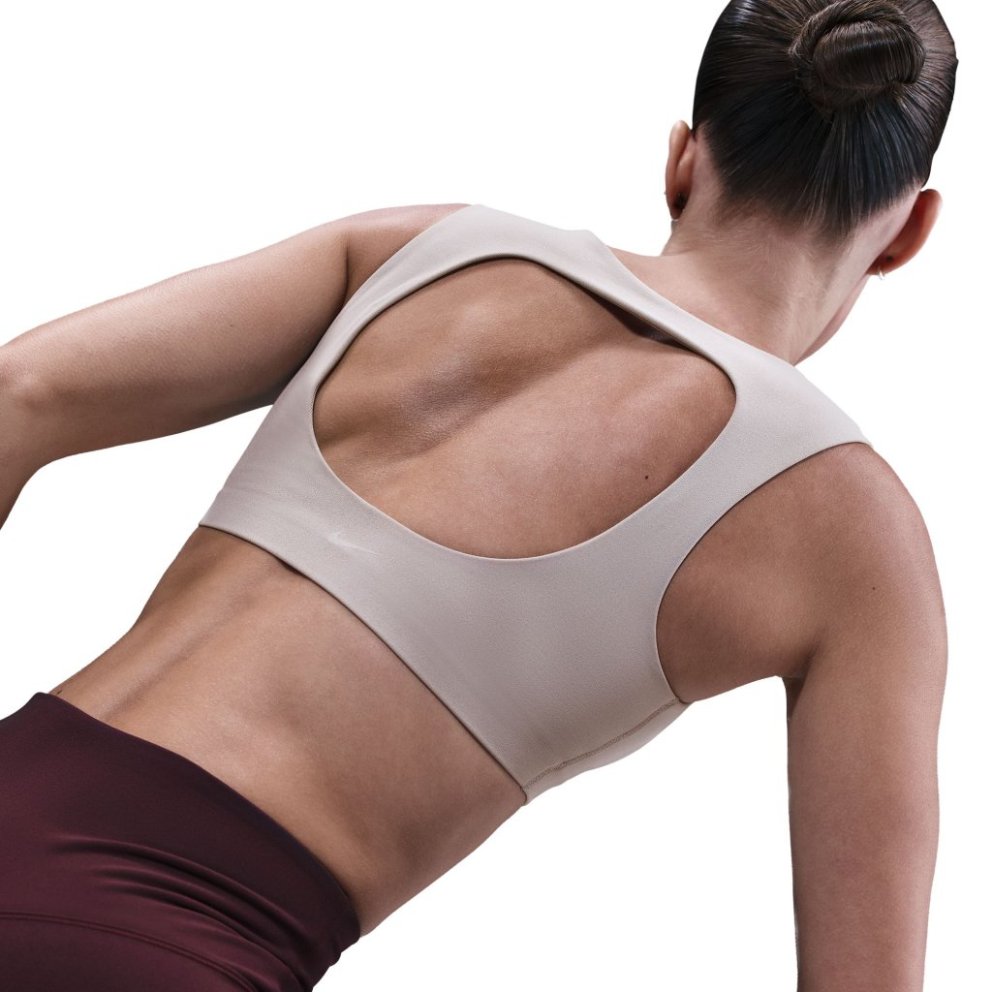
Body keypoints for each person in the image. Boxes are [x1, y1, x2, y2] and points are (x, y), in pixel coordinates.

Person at [0, 0, 957, 989]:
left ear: (680, 159)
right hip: (165, 940)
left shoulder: (421, 251)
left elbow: (19, 390)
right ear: (908, 231)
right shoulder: (854, 530)